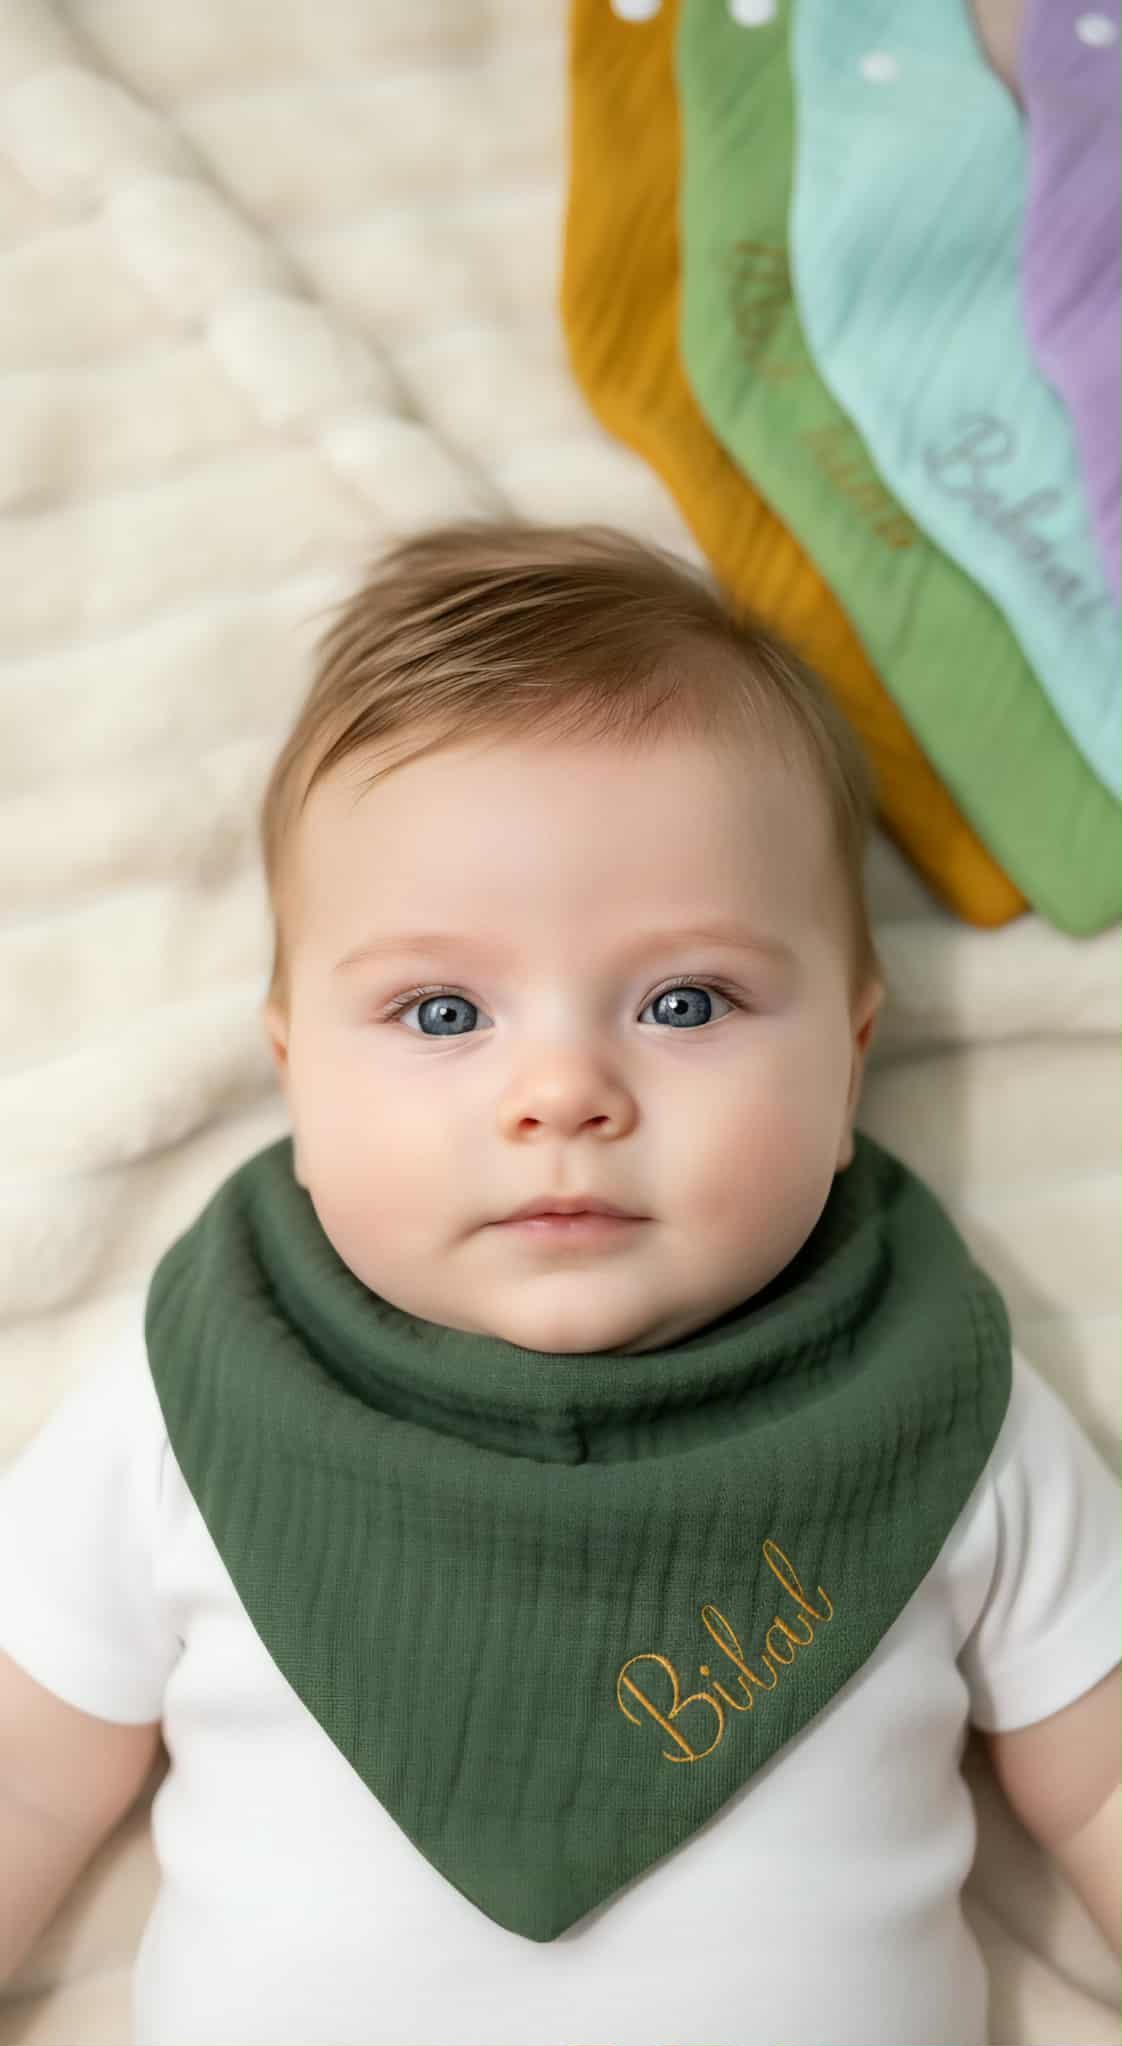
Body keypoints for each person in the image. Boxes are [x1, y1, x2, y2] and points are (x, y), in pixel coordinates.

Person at [0, 523, 1118, 2046]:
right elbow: (25, 1775)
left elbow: (1100, 1780)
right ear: (295, 1073)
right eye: (441, 1011)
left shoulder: (937, 1397)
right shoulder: (193, 1399)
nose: (562, 1093)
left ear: (851, 1056)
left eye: (685, 1001)